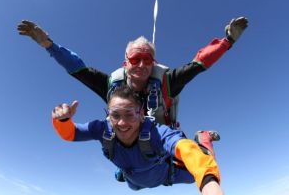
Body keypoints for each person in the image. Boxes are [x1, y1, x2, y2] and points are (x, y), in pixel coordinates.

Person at [17, 17, 248, 156]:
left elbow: (198, 64)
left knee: (199, 167)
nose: (141, 64)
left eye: (147, 60)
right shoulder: (112, 84)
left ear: (154, 63)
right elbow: (79, 70)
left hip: (163, 140)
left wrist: (227, 41)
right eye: (135, 59)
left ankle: (203, 138)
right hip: (129, 144)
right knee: (131, 181)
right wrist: (49, 45)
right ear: (125, 63)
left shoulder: (167, 82)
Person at [52, 85, 223, 195]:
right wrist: (63, 121)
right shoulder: (102, 129)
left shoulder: (156, 133)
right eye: (115, 115)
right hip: (135, 181)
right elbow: (71, 134)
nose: (122, 123)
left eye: (130, 114)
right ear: (108, 115)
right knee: (132, 186)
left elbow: (186, 149)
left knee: (201, 168)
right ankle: (123, 174)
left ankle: (204, 138)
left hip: (167, 175)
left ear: (141, 114)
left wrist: (209, 185)